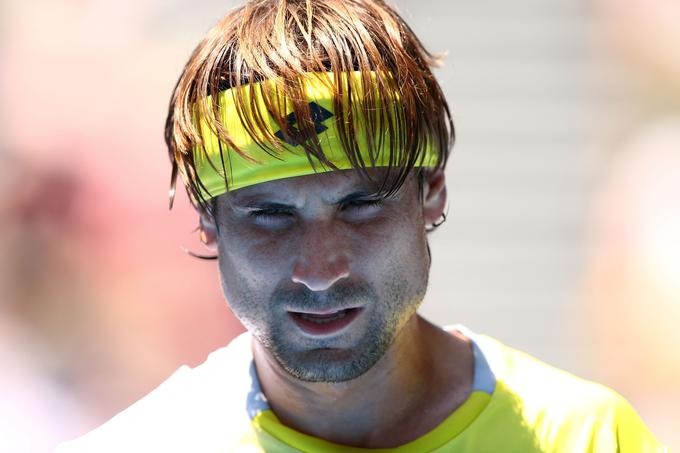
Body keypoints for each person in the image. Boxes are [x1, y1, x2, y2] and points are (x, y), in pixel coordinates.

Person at [57, 0, 668, 451]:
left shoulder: (586, 437)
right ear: (209, 225)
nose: (320, 270)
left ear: (431, 194)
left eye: (359, 205)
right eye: (269, 216)